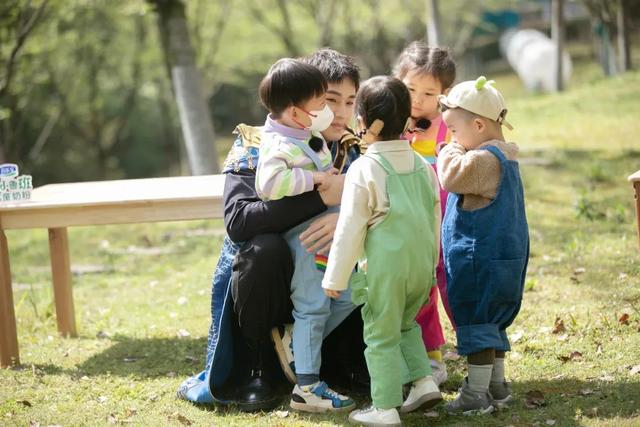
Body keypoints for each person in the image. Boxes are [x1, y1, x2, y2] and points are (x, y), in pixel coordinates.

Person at [176, 49, 367, 412]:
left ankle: (342, 360)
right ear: (300, 103)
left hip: (333, 276)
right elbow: (239, 221)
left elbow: (388, 208)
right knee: (262, 250)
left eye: (350, 101)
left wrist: (347, 220)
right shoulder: (259, 143)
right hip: (274, 280)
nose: (341, 113)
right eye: (329, 100)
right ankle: (258, 365)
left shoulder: (355, 147)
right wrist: (321, 200)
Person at [322, 76, 443, 426]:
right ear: (407, 120)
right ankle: (422, 383)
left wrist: (336, 275)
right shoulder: (423, 166)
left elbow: (349, 227)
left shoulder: (364, 168)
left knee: (379, 334)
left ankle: (385, 406)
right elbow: (433, 217)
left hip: (386, 271)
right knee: (406, 325)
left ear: (362, 123)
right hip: (421, 267)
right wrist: (432, 265)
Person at [255, 58, 357, 412]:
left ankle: (296, 344)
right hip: (307, 240)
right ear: (299, 113)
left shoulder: (304, 133)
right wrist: (314, 182)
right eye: (321, 105)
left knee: (350, 293)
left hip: (331, 238)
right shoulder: (278, 144)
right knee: (313, 306)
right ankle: (308, 387)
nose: (329, 113)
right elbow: (268, 184)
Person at [437, 76, 529, 414]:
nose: (452, 139)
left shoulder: (482, 161)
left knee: (477, 320)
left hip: (480, 257)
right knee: (493, 323)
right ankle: (497, 386)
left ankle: (475, 395)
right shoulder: (506, 156)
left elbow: (450, 176)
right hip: (504, 257)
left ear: (478, 124)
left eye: (455, 131)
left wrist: (448, 150)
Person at [393, 41, 457, 385]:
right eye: (410, 89)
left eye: (429, 93)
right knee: (417, 291)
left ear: (444, 95)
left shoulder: (449, 128)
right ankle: (425, 353)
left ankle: (471, 348)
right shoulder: (392, 127)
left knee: (447, 284)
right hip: (408, 225)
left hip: (445, 225)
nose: (418, 100)